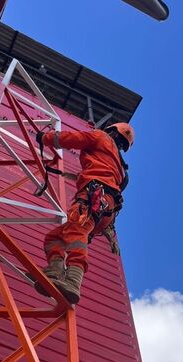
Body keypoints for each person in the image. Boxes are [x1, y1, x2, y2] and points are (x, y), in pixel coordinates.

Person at [34, 122, 134, 304]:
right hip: (106, 211)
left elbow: (72, 139)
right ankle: (54, 272)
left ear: (111, 131)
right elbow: (117, 188)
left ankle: (73, 281)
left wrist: (44, 137)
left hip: (92, 197)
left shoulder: (100, 137)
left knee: (76, 232)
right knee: (54, 237)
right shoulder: (121, 169)